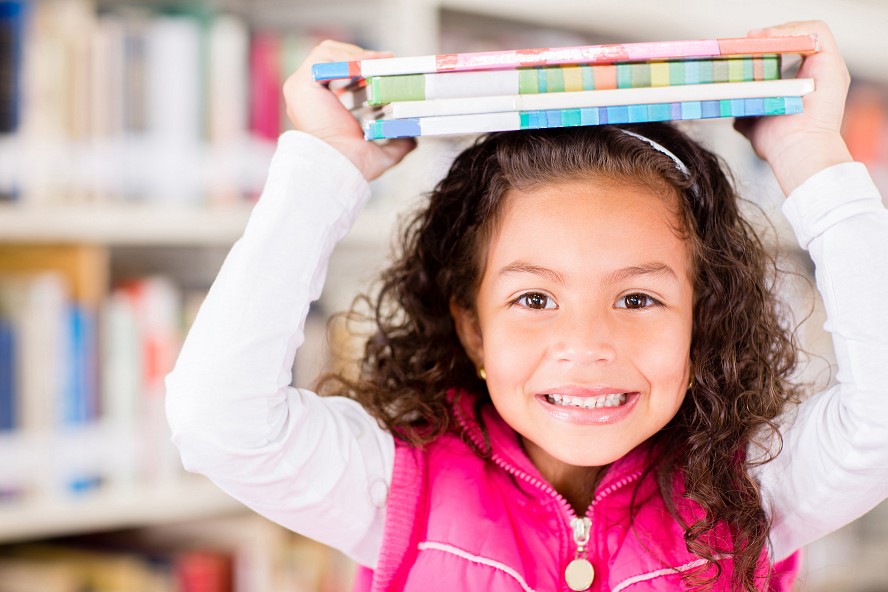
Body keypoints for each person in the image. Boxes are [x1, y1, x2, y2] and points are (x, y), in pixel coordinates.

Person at [165, 20, 888, 592]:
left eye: (637, 298)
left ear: (704, 319)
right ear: (473, 329)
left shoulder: (751, 490)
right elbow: (218, 419)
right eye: (534, 298)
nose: (586, 343)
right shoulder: (397, 491)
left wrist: (810, 155)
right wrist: (326, 167)